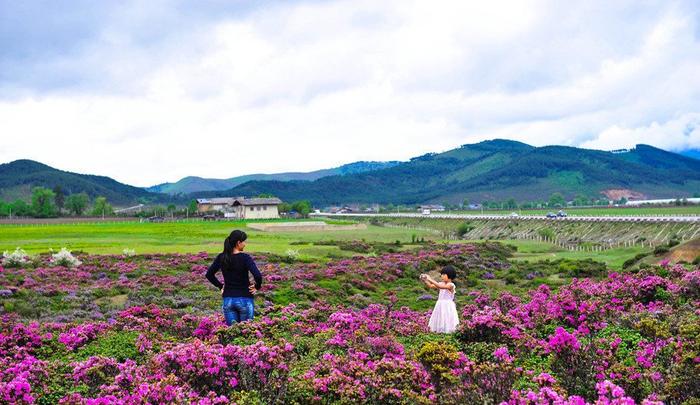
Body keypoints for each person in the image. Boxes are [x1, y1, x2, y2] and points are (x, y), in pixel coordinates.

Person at [206, 230, 262, 326]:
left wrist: (220, 286)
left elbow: (209, 274)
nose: (245, 244)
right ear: (238, 243)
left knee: (232, 334)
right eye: (244, 241)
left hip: (228, 300)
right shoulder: (245, 258)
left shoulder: (222, 257)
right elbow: (257, 275)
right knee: (247, 333)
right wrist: (257, 286)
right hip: (244, 299)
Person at [420, 265, 459, 333]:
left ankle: (447, 332)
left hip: (447, 305)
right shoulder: (442, 283)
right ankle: (440, 332)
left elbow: (440, 286)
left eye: (444, 274)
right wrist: (425, 280)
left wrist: (430, 279)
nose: (442, 276)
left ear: (450, 275)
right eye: (441, 274)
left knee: (447, 318)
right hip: (440, 304)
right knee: (440, 317)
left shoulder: (451, 285)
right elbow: (431, 286)